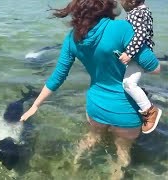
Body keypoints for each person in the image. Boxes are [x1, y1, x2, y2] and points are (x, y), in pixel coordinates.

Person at [19, 0, 160, 179]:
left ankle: (72, 168)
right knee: (122, 155)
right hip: (126, 112)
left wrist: (35, 105)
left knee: (90, 139)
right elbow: (154, 68)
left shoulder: (73, 38)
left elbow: (58, 76)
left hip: (96, 108)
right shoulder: (123, 28)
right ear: (107, 6)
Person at [117, 0, 161, 134]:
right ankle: (142, 95)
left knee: (128, 83)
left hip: (137, 55)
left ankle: (150, 110)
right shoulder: (143, 11)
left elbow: (140, 35)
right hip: (139, 53)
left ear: (132, 1)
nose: (120, 3)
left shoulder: (136, 13)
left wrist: (129, 53)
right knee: (128, 81)